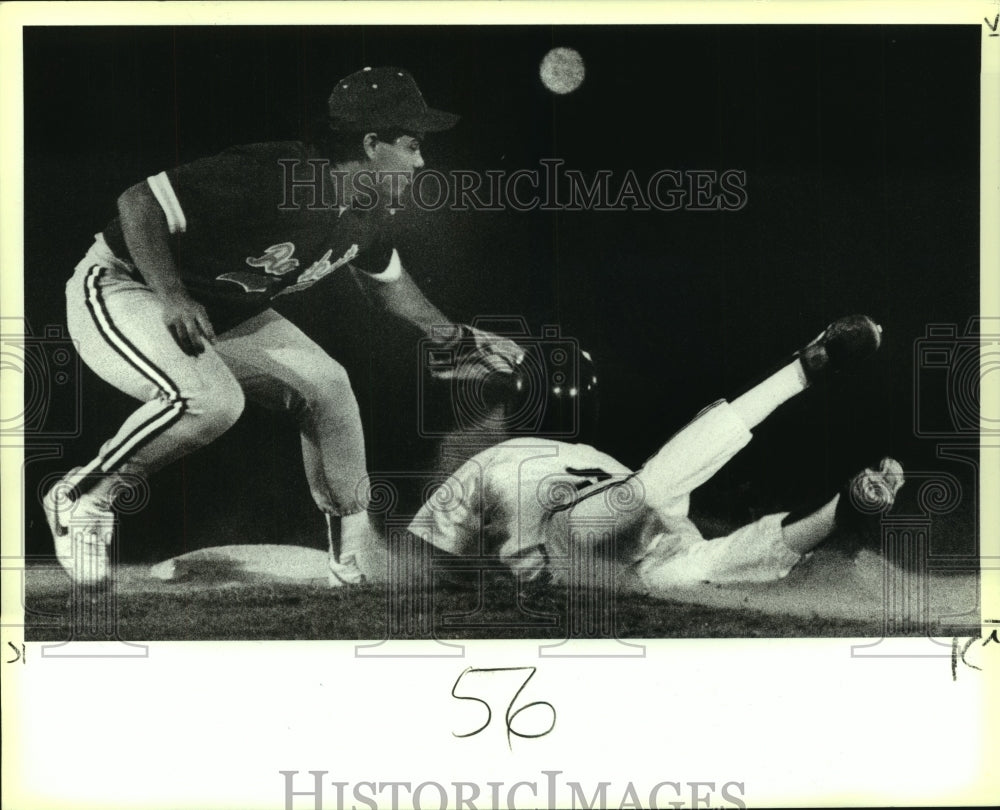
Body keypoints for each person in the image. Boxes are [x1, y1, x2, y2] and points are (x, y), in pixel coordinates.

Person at [42, 66, 521, 587]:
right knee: (211, 401)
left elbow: (388, 282)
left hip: (223, 311)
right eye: (410, 143)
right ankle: (81, 496)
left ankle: (354, 553)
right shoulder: (281, 173)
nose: (420, 158)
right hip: (124, 285)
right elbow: (139, 203)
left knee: (328, 386)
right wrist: (173, 294)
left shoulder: (367, 209)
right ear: (371, 143)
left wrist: (454, 336)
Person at [407, 315, 906, 593]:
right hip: (619, 530)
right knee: (698, 539)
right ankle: (834, 496)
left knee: (682, 531)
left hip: (600, 546)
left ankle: (842, 505)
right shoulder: (596, 455)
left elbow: (433, 556)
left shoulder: (491, 459)